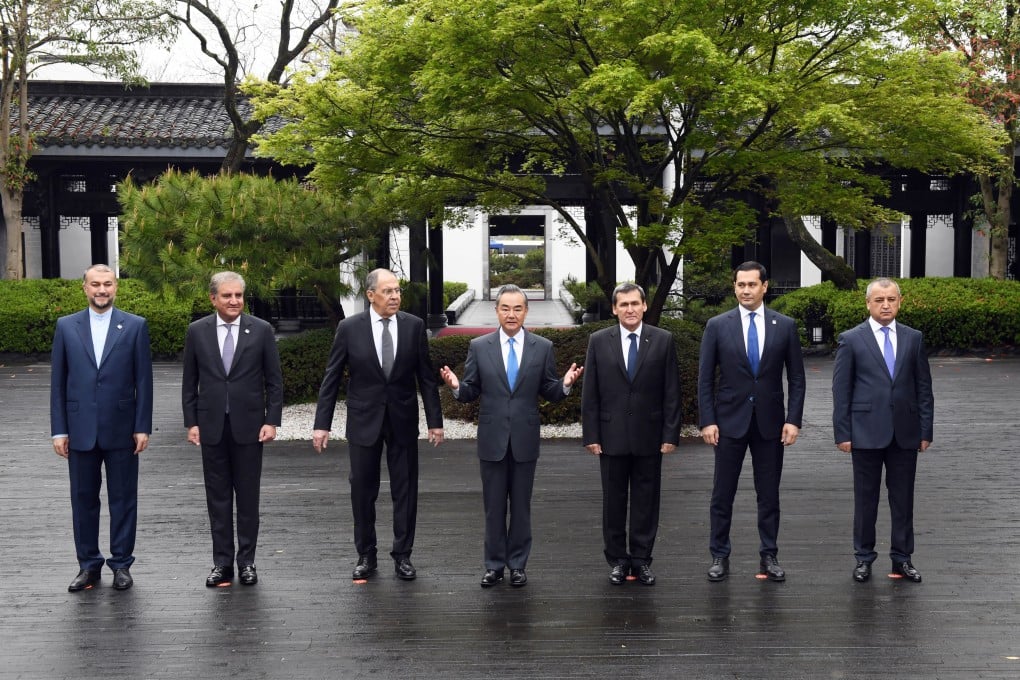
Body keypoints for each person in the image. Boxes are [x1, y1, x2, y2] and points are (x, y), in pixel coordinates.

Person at [440, 284, 583, 588]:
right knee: (493, 507)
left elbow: (550, 390)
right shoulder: (479, 347)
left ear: (526, 312)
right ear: (496, 311)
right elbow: (469, 391)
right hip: (492, 440)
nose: (511, 314)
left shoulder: (542, 347)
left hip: (524, 440)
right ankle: (493, 566)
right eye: (505, 308)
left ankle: (517, 564)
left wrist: (566, 383)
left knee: (521, 506)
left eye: (518, 308)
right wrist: (454, 385)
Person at [313, 268, 444, 581]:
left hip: (402, 419)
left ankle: (403, 555)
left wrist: (435, 422)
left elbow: (425, 378)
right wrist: (322, 424)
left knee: (406, 490)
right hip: (363, 419)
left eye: (397, 290)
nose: (395, 296)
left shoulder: (414, 326)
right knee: (362, 491)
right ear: (370, 295)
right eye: (387, 291)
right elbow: (331, 378)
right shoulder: (349, 328)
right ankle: (366, 555)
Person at [697, 261, 805, 583]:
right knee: (722, 493)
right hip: (729, 422)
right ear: (734, 287)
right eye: (740, 285)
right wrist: (707, 420)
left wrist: (793, 420)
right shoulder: (717, 326)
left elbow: (797, 378)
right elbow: (705, 379)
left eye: (752, 284)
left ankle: (769, 555)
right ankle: (719, 555)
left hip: (771, 424)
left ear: (764, 286)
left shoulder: (784, 326)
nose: (746, 290)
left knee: (769, 494)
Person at [50, 264, 153, 592]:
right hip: (79, 429)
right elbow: (58, 384)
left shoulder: (135, 326)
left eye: (107, 284)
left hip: (122, 429)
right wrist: (59, 430)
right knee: (83, 499)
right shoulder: (66, 327)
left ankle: (122, 564)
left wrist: (142, 426)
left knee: (123, 498)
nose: (101, 290)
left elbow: (144, 382)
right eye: (95, 284)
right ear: (84, 288)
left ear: (116, 287)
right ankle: (88, 565)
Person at [182, 271, 284, 587]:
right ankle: (222, 564)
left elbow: (274, 381)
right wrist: (191, 422)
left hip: (250, 427)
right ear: (213, 298)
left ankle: (247, 563)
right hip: (211, 426)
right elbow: (190, 382)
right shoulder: (197, 332)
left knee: (248, 499)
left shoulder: (261, 330)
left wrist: (272, 420)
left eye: (238, 295)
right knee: (218, 499)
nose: (234, 301)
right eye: (227, 296)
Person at [832, 277, 934, 584]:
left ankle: (902, 558)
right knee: (866, 500)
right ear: (868, 304)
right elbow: (841, 390)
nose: (886, 304)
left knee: (903, 499)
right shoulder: (851, 339)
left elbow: (923, 388)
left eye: (891, 299)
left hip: (905, 432)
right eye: (879, 300)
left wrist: (925, 430)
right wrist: (843, 433)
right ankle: (863, 558)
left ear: (900, 302)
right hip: (865, 432)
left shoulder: (913, 338)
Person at [581, 283, 681, 586]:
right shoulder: (598, 341)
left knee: (646, 501)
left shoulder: (663, 340)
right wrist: (591, 434)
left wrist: (671, 434)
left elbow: (671, 391)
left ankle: (641, 560)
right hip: (610, 436)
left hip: (650, 435)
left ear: (645, 305)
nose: (630, 309)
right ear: (614, 309)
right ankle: (617, 561)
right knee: (613, 502)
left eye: (635, 303)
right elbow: (591, 393)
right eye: (623, 304)